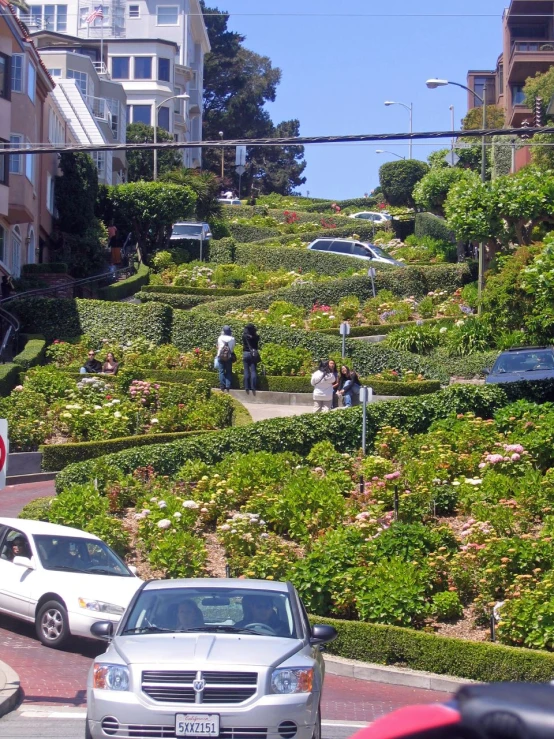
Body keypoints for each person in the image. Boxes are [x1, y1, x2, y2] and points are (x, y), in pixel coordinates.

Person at [216, 325, 236, 392]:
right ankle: (228, 386)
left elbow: (218, 346)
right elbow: (232, 349)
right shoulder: (232, 339)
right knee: (228, 372)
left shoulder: (220, 338)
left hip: (220, 356)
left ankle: (222, 386)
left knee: (221, 371)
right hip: (228, 357)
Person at [242, 323, 260, 392]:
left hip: (246, 353)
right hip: (253, 354)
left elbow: (245, 336)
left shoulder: (244, 336)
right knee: (253, 370)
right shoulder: (256, 337)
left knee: (246, 370)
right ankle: (253, 387)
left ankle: (246, 387)